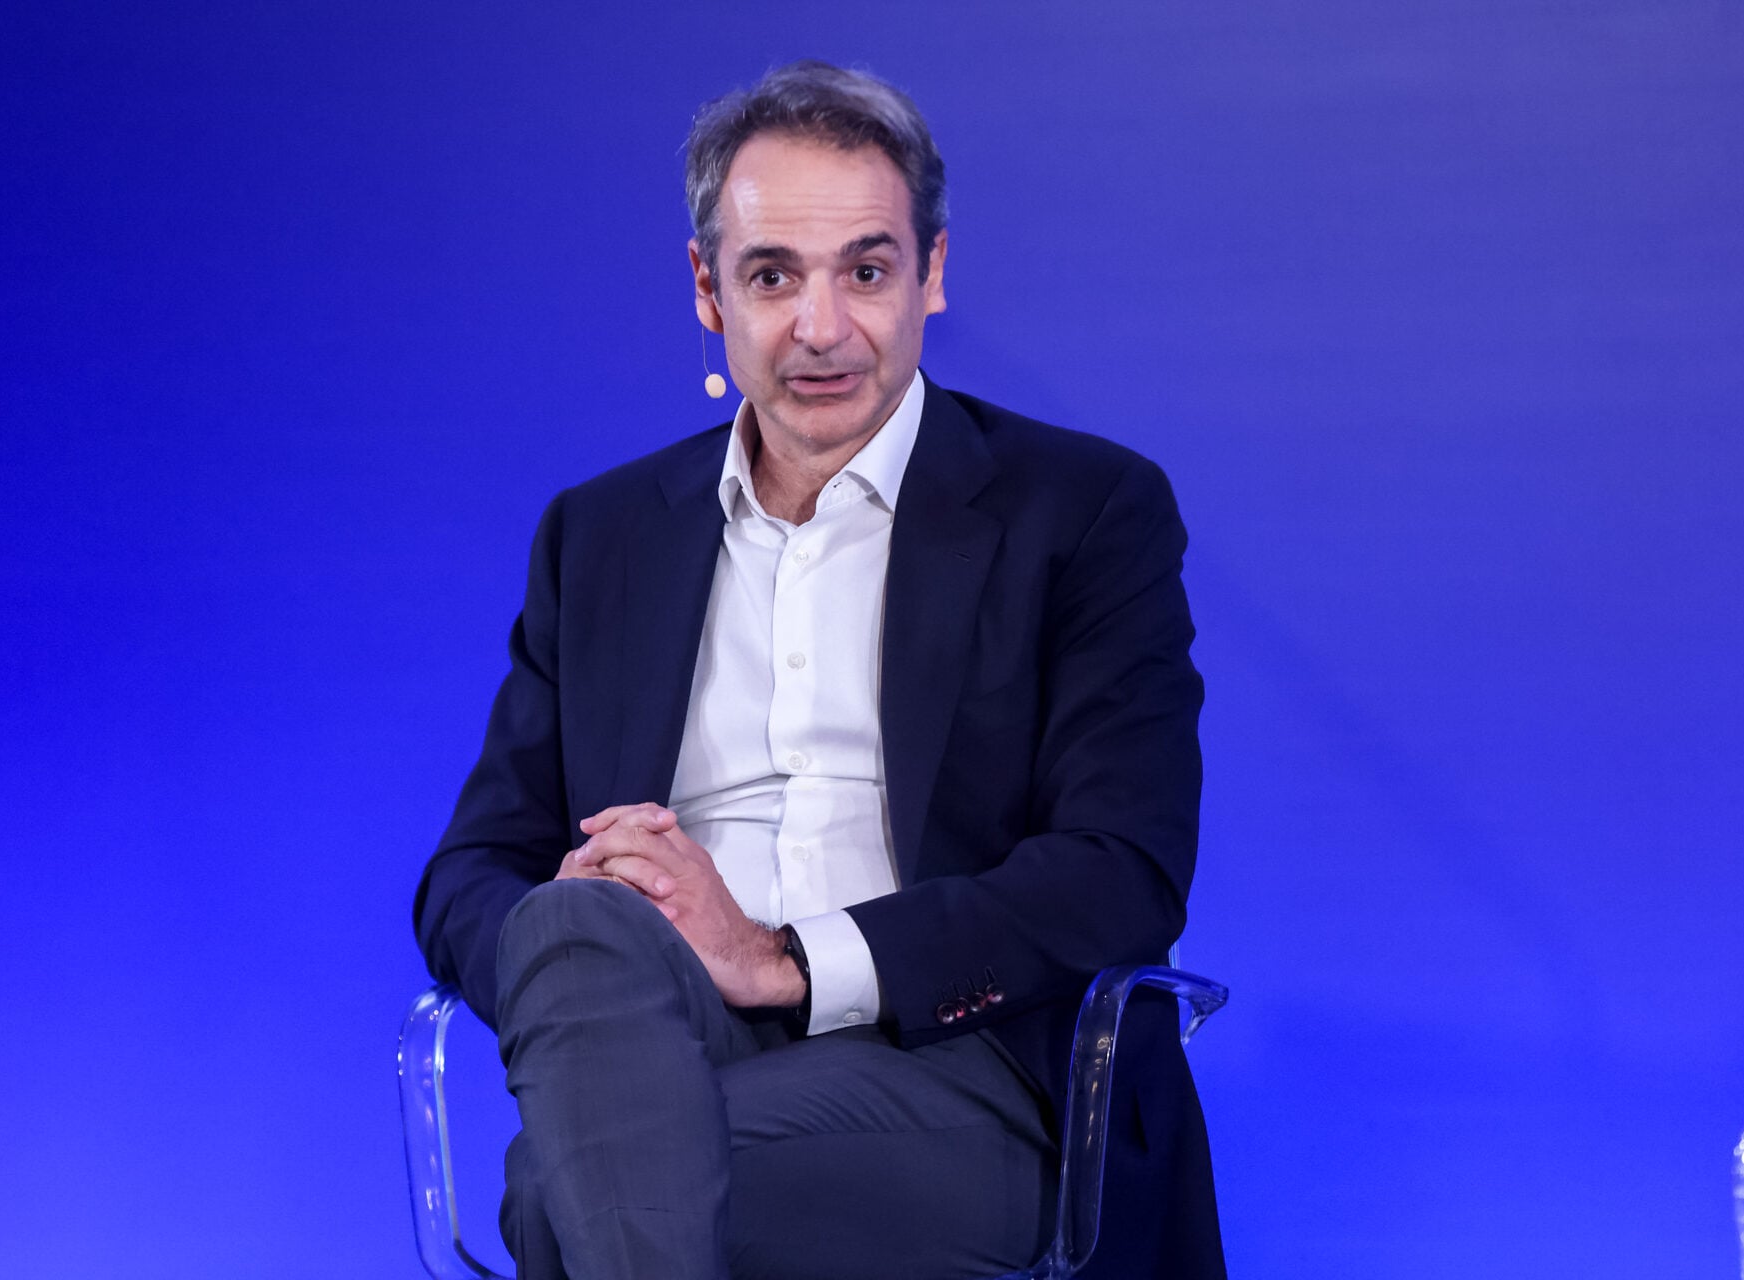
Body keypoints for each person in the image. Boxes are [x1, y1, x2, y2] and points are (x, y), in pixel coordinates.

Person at [414, 60, 1222, 1280]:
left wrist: (785, 959)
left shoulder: (1083, 509)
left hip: (962, 1059)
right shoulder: (603, 535)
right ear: (708, 289)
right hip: (653, 1045)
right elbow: (468, 874)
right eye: (773, 275)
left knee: (560, 1190)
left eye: (867, 270)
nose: (823, 327)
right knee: (577, 925)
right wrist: (568, 929)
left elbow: (1122, 871)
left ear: (932, 272)